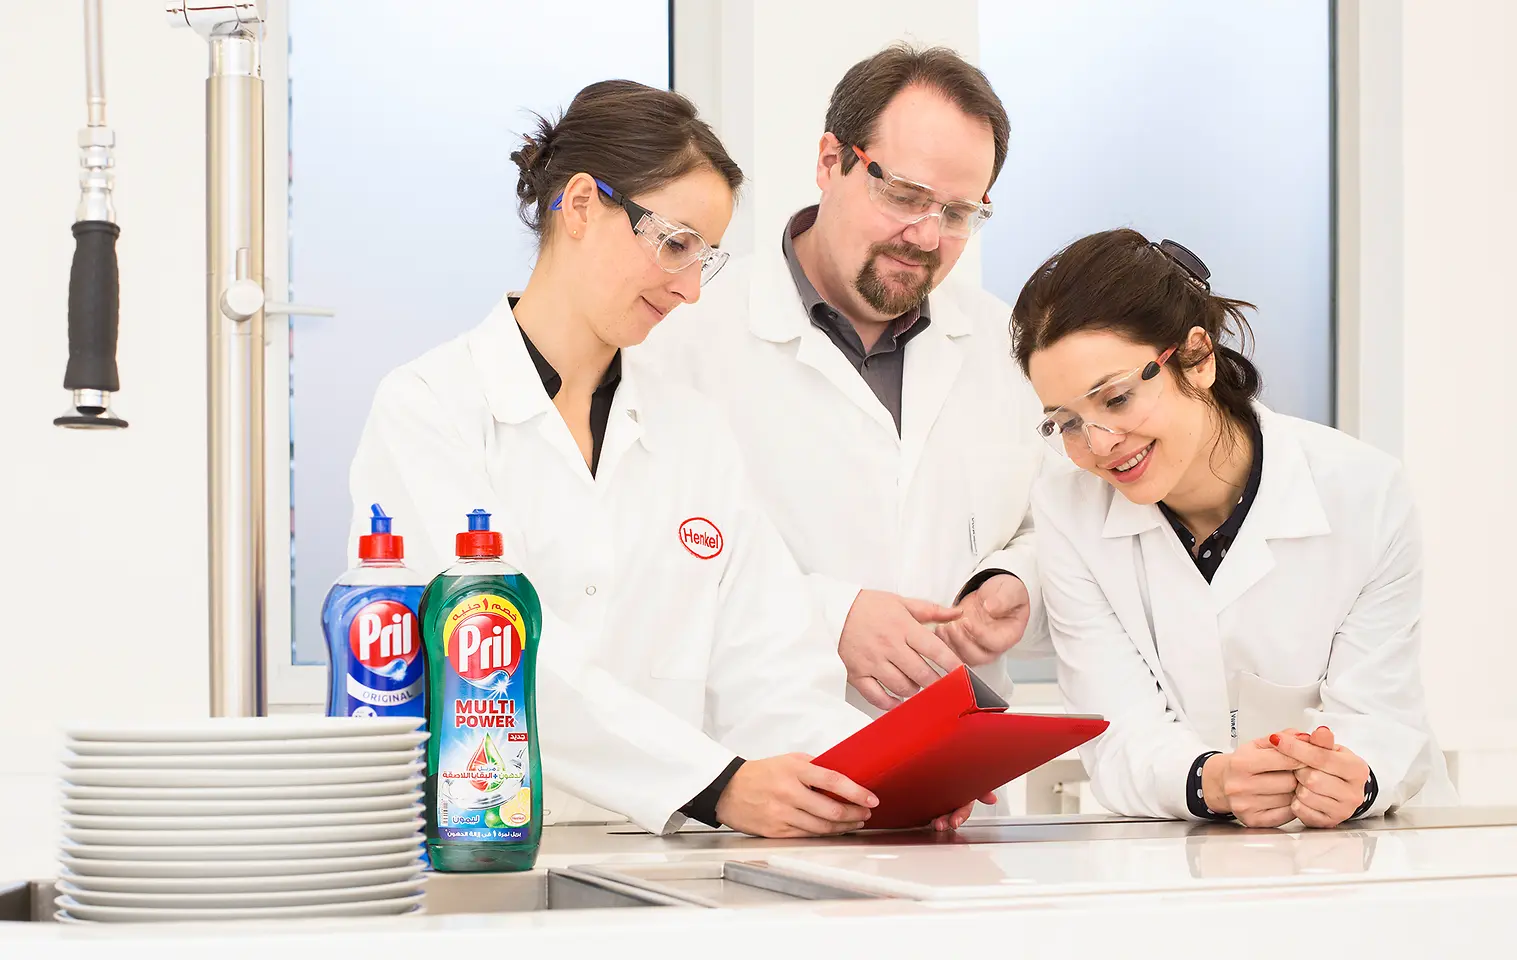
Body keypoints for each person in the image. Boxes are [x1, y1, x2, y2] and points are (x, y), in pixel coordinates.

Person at [348, 80, 987, 838]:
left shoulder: (691, 432)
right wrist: (713, 786)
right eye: (673, 244)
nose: (688, 289)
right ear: (581, 205)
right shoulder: (430, 409)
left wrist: (883, 776)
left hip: (657, 857)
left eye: (704, 259)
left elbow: (769, 668)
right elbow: (493, 663)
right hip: (477, 841)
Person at [634, 44, 1047, 714]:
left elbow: (1059, 520)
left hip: (956, 772)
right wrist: (827, 617)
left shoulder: (1008, 349)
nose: (924, 234)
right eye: (905, 195)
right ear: (831, 162)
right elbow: (643, 563)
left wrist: (1012, 578)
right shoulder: (682, 336)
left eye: (957, 213)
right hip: (755, 776)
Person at [1012, 228, 1457, 827]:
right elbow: (1118, 731)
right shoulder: (1068, 511)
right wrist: (1208, 780)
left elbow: (1382, 717)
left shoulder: (1364, 492)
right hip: (1195, 856)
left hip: (1373, 850)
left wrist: (1356, 778)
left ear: (1196, 356)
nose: (1097, 445)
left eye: (1114, 399)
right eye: (1065, 422)